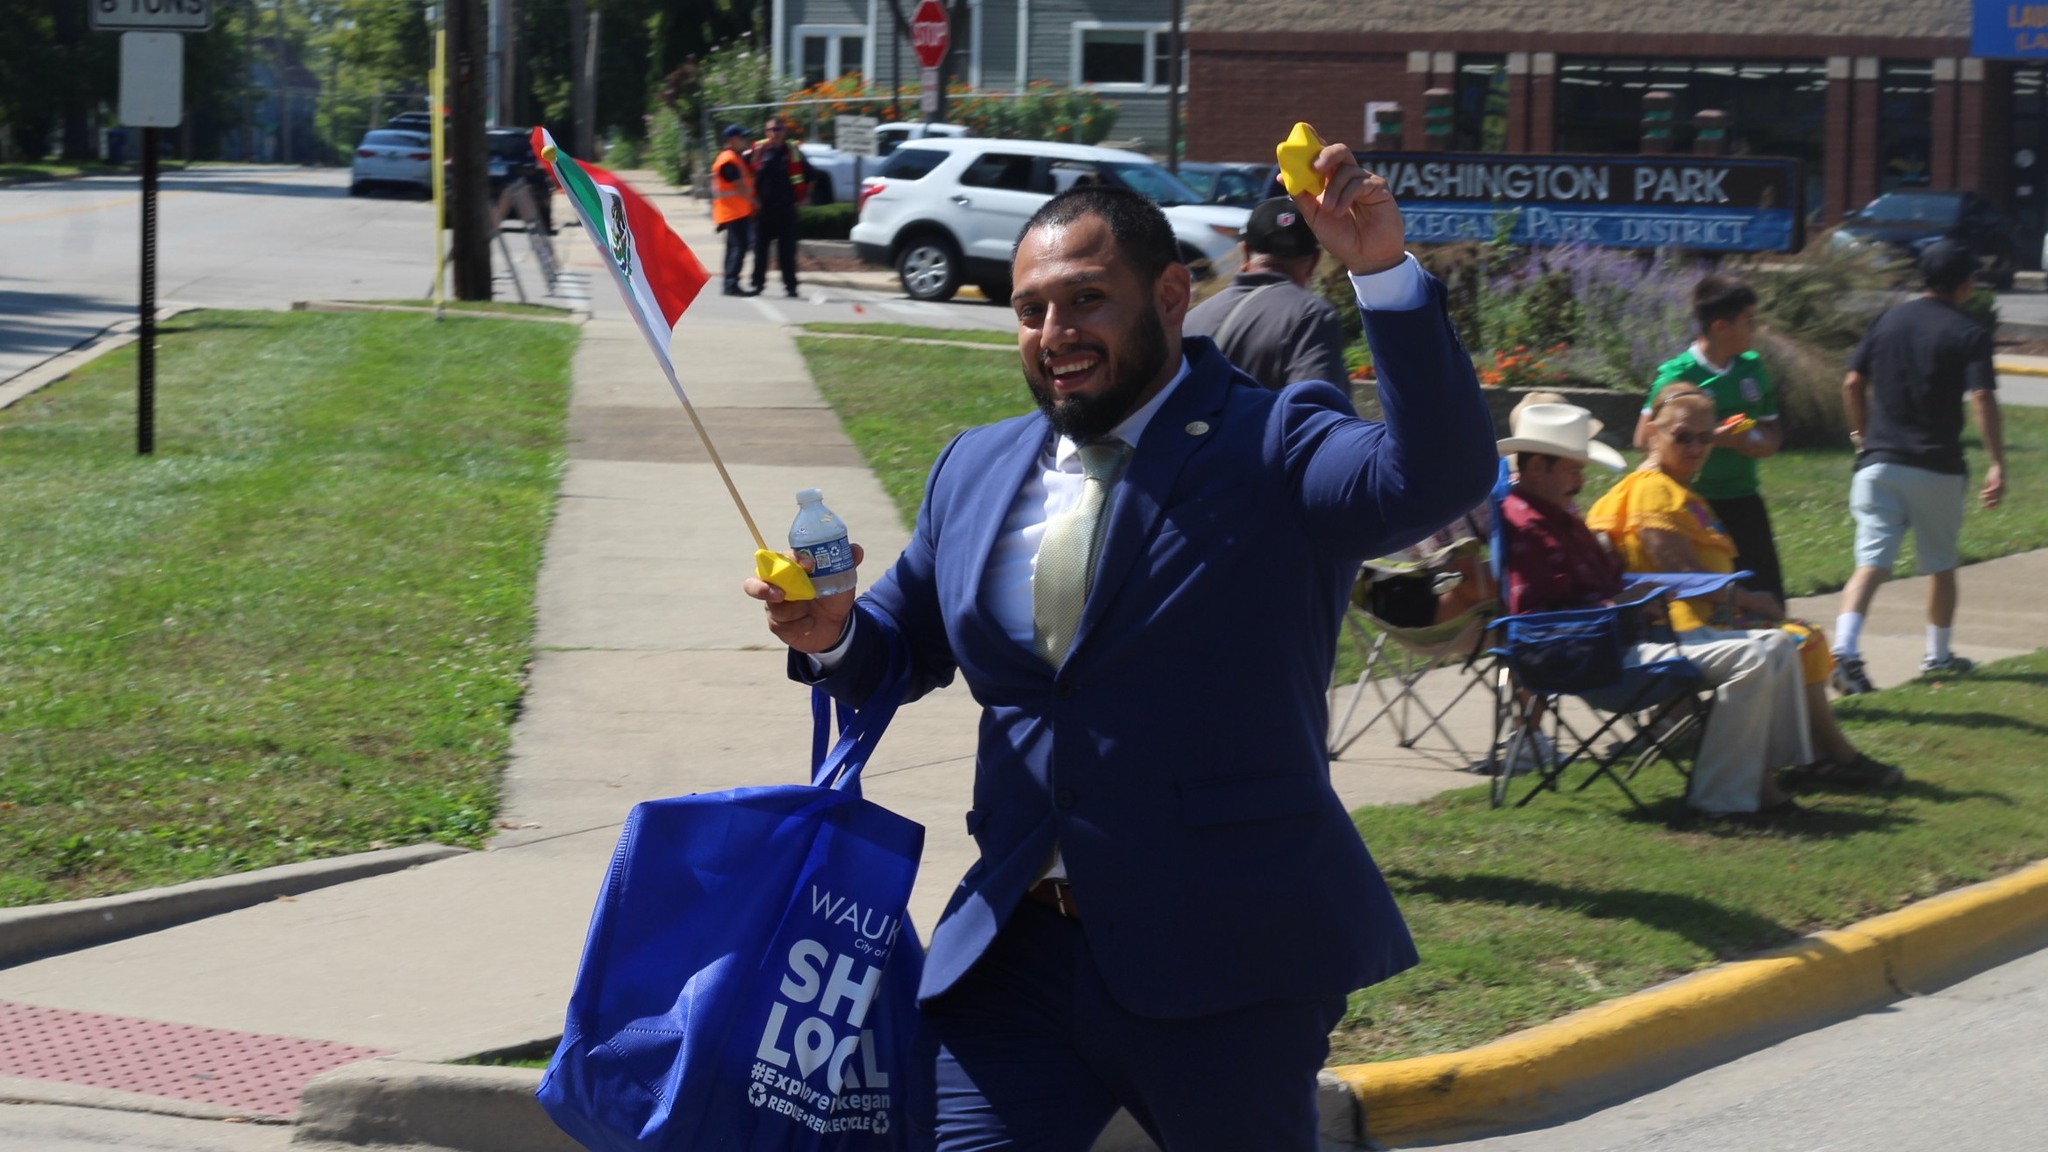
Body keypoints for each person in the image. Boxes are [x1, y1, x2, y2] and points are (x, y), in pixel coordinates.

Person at [743, 140, 1497, 1150]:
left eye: (1086, 300)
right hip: (1016, 954)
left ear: (1173, 294)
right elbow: (900, 641)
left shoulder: (1272, 442)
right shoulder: (977, 468)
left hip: (1225, 960)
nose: (1054, 333)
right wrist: (833, 633)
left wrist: (1381, 273)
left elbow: (1434, 474)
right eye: (1029, 310)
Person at [1498, 403, 1808, 816]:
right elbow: (1539, 616)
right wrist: (1621, 606)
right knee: (1753, 657)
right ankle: (1721, 798)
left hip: (1628, 639)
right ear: (1538, 466)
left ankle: (1770, 778)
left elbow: (1605, 581)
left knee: (1779, 644)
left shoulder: (1560, 517)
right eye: (1573, 469)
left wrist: (1635, 594)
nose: (1581, 480)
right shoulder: (1527, 526)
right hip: (1595, 658)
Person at [1590, 384, 1903, 790]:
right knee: (1800, 639)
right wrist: (1750, 600)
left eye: (1705, 438)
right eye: (1682, 436)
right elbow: (1679, 572)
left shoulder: (1674, 487)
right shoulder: (1653, 491)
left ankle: (1821, 759)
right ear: (1653, 432)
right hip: (1678, 631)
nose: (1695, 447)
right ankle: (1831, 758)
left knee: (1802, 636)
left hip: (1697, 621)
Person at [1830, 239, 2006, 694]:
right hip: (1937, 466)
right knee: (1940, 564)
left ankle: (1845, 649)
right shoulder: (1969, 332)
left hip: (1878, 465)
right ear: (1965, 284)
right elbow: (1983, 397)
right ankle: (1938, 655)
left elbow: (1852, 382)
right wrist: (1997, 462)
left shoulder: (1887, 320)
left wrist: (1860, 437)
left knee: (1869, 563)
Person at [1632, 273, 1787, 602]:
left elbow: (1772, 433)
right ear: (1720, 327)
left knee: (1768, 597)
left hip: (1744, 497)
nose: (1755, 327)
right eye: (1748, 320)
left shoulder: (1751, 367)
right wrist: (1714, 438)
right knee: (1713, 598)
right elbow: (1644, 438)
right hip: (1693, 501)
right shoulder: (1677, 374)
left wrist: (1754, 442)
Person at [1184, 196, 1348, 393]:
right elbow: (1322, 413)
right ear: (1314, 261)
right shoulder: (1311, 316)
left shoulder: (1191, 318)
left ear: (1244, 252)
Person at [749, 116, 808, 299]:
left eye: (779, 129)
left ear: (784, 131)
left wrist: (802, 198)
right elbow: (746, 175)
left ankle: (791, 286)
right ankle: (757, 284)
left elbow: (809, 175)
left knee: (787, 252)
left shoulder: (793, 151)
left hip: (786, 209)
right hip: (763, 209)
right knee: (760, 251)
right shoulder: (758, 150)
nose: (776, 133)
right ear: (766, 133)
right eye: (772, 129)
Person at [710, 125, 758, 297]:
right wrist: (753, 202)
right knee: (739, 248)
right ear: (731, 140)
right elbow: (738, 186)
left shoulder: (734, 158)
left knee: (734, 248)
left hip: (735, 211)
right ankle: (731, 284)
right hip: (733, 212)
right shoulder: (728, 160)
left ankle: (730, 284)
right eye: (741, 137)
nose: (744, 141)